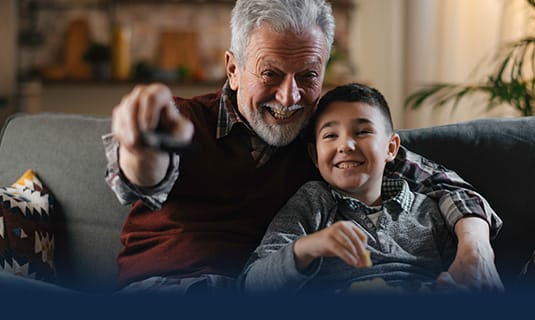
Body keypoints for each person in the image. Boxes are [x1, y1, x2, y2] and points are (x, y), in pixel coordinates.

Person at [103, 0, 503, 295]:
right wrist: (140, 145)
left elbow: (442, 184)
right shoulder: (182, 121)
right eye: (271, 74)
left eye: (308, 75)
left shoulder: (327, 140)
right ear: (233, 70)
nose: (289, 96)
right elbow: (142, 178)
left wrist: (475, 248)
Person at [238, 83, 503, 294]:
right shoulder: (312, 203)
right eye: (331, 135)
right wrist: (308, 247)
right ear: (314, 156)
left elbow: (468, 280)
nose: (346, 145)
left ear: (391, 148)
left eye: (362, 132)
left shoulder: (428, 211)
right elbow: (252, 284)